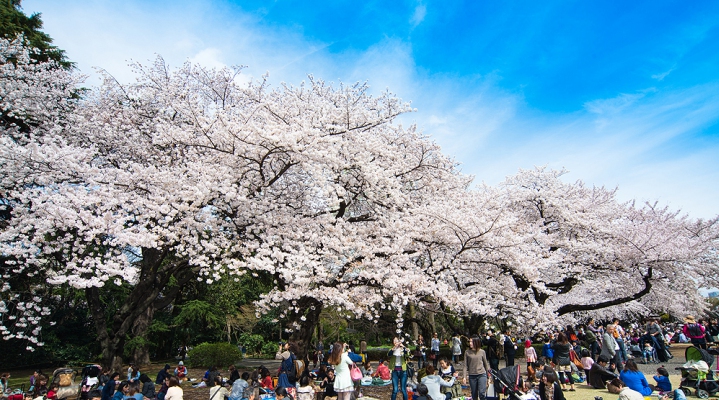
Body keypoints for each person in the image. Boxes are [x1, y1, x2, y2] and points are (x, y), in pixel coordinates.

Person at [463, 336, 491, 400]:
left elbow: (486, 364)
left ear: (476, 342)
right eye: (469, 342)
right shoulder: (467, 352)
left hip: (482, 374)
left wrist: (489, 376)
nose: (470, 343)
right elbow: (465, 365)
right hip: (472, 375)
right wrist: (464, 376)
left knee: (482, 393)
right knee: (474, 394)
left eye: (472, 342)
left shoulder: (482, 352)